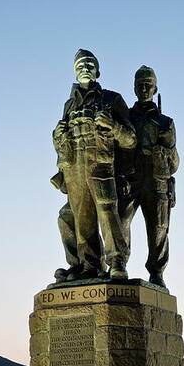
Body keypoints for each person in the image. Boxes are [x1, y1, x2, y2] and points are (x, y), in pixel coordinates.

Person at [52, 49, 136, 280]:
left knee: (107, 212)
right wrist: (57, 135)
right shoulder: (69, 105)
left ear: (98, 71)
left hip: (101, 164)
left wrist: (114, 126)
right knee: (80, 217)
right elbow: (63, 142)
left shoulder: (112, 99)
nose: (85, 67)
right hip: (75, 167)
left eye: (89, 64)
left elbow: (131, 140)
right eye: (80, 65)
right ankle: (88, 265)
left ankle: (117, 261)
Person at [120, 65, 179, 288]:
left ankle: (156, 272)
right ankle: (119, 263)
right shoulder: (125, 117)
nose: (144, 88)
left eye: (148, 85)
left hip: (156, 179)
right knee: (120, 220)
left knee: (158, 229)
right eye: (140, 85)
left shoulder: (166, 123)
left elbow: (174, 164)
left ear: (155, 88)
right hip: (130, 177)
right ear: (134, 88)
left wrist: (165, 145)